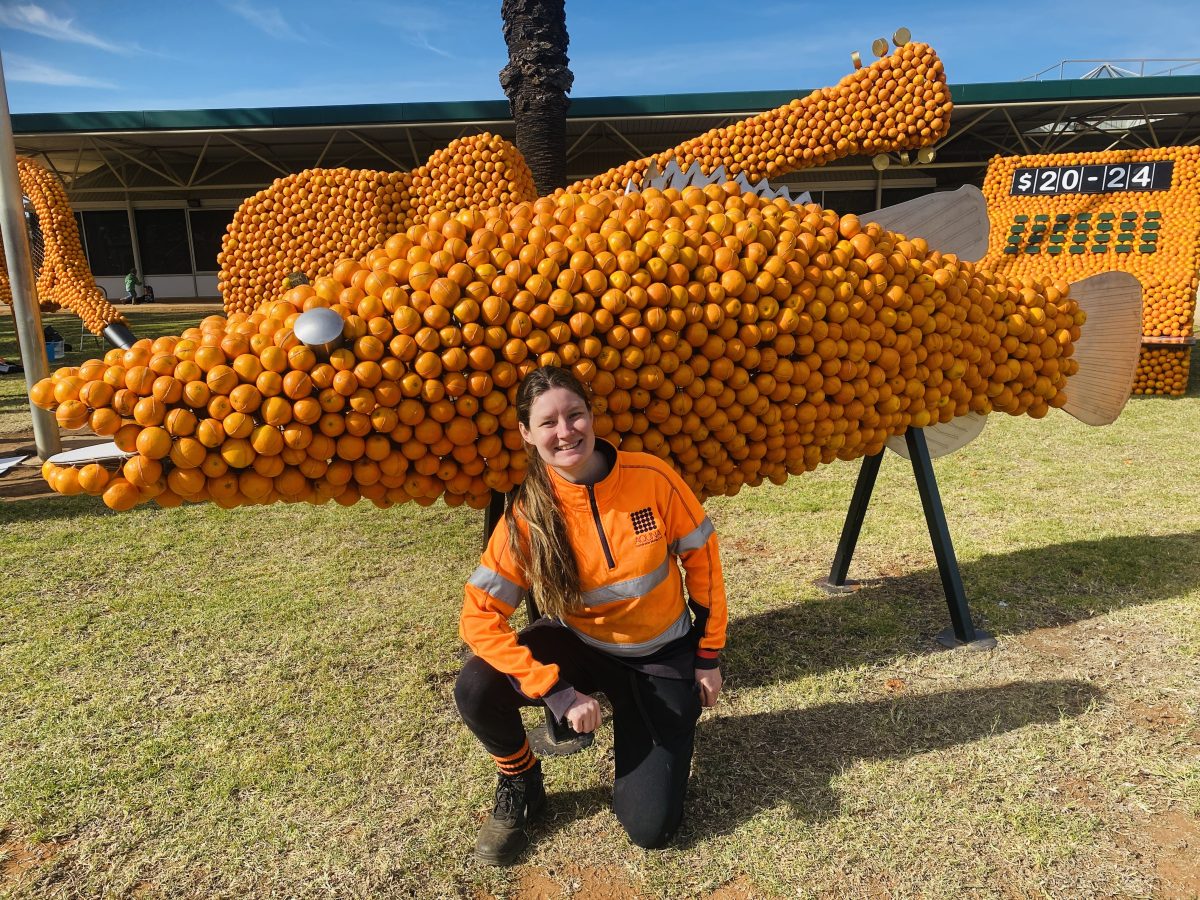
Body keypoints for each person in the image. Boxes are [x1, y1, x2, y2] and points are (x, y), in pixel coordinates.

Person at [455, 366, 727, 865]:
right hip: (582, 648)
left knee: (650, 827)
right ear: (526, 434)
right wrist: (553, 688)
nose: (565, 432)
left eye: (574, 415)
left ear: (591, 416)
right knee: (475, 686)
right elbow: (478, 616)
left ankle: (645, 722)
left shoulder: (652, 478)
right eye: (548, 423)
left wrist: (707, 655)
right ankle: (521, 780)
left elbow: (704, 564)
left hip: (660, 655)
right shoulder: (529, 514)